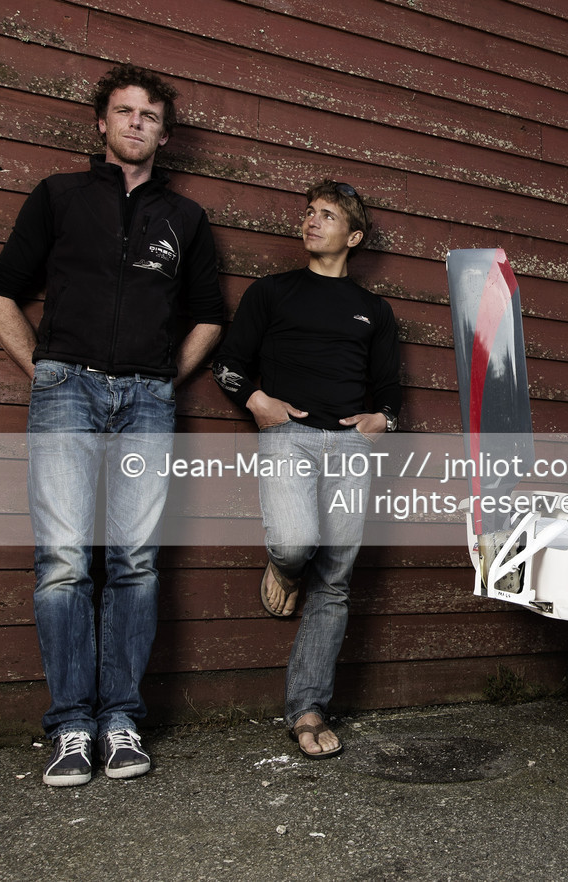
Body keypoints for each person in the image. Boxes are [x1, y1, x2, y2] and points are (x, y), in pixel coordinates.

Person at [0, 64, 225, 786]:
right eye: (125, 111)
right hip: (66, 392)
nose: (137, 122)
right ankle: (70, 729)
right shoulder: (58, 197)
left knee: (135, 563)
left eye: (150, 115)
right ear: (102, 123)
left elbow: (209, 315)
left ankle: (120, 722)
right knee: (62, 562)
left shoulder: (187, 220)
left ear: (165, 133)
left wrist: (159, 378)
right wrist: (47, 370)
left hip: (147, 401)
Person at [210, 180, 401, 759]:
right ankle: (284, 569)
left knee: (336, 582)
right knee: (295, 544)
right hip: (287, 437)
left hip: (350, 447)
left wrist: (382, 422)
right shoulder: (271, 293)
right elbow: (230, 366)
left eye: (327, 215)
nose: (311, 222)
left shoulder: (375, 311)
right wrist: (257, 403)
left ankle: (308, 708)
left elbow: (391, 393)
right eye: (309, 213)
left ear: (354, 235)